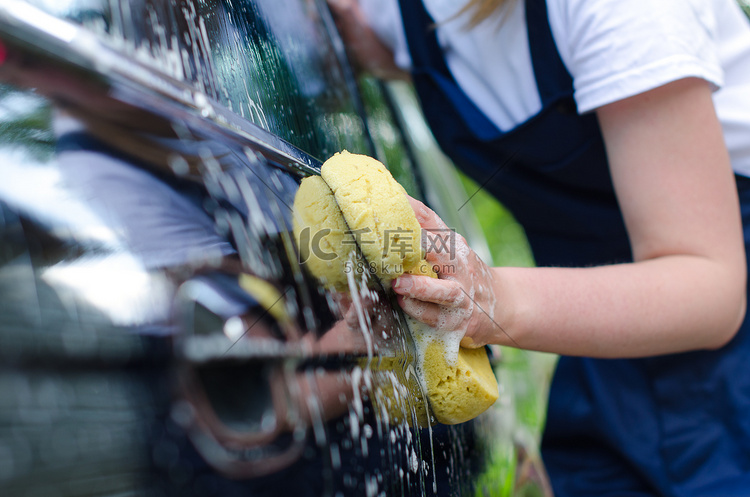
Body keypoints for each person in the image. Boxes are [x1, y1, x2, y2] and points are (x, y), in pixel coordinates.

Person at [327, 0, 750, 495]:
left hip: (730, 368)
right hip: (602, 350)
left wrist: (491, 300)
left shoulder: (628, 12)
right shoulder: (399, 15)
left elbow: (711, 289)